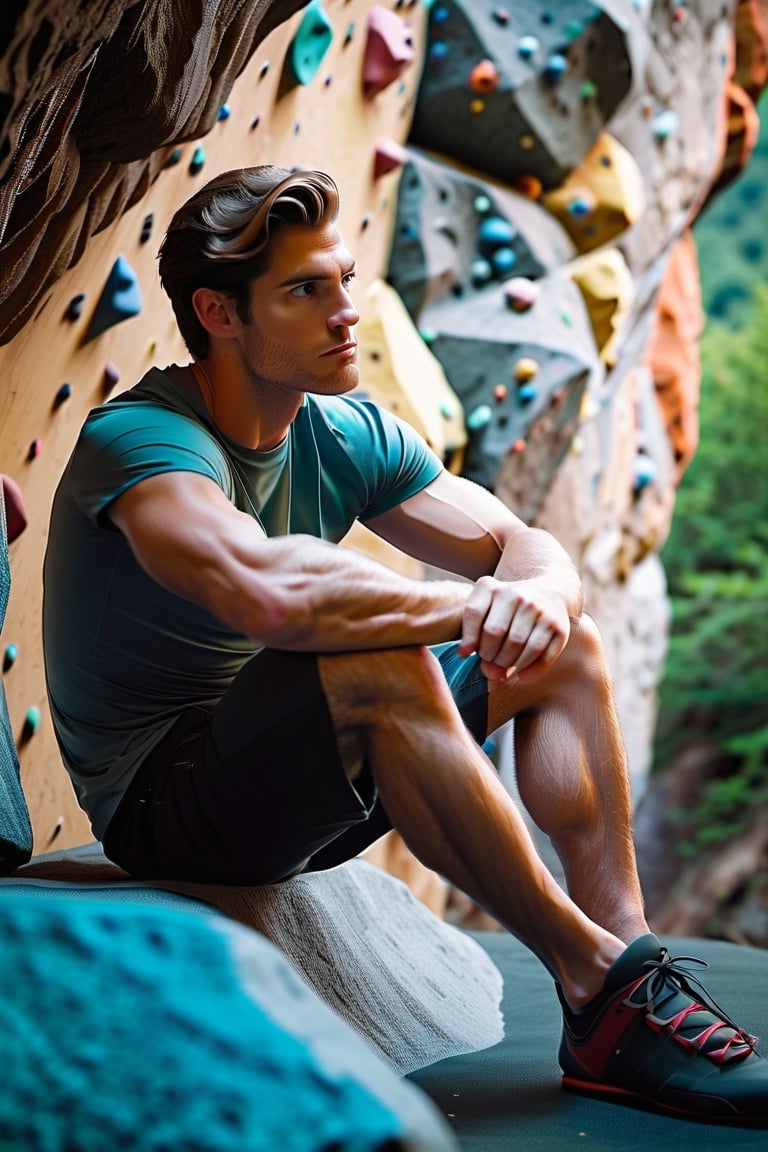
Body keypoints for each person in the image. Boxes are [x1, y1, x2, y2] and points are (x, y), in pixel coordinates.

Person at [43, 165, 766, 1123]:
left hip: (294, 776)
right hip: (168, 803)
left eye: (344, 280)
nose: (346, 310)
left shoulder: (343, 432)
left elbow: (519, 541)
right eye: (306, 291)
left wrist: (539, 593)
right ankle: (594, 977)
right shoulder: (142, 444)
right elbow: (272, 592)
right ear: (218, 312)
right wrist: (467, 612)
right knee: (376, 655)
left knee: (565, 642)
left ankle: (625, 974)